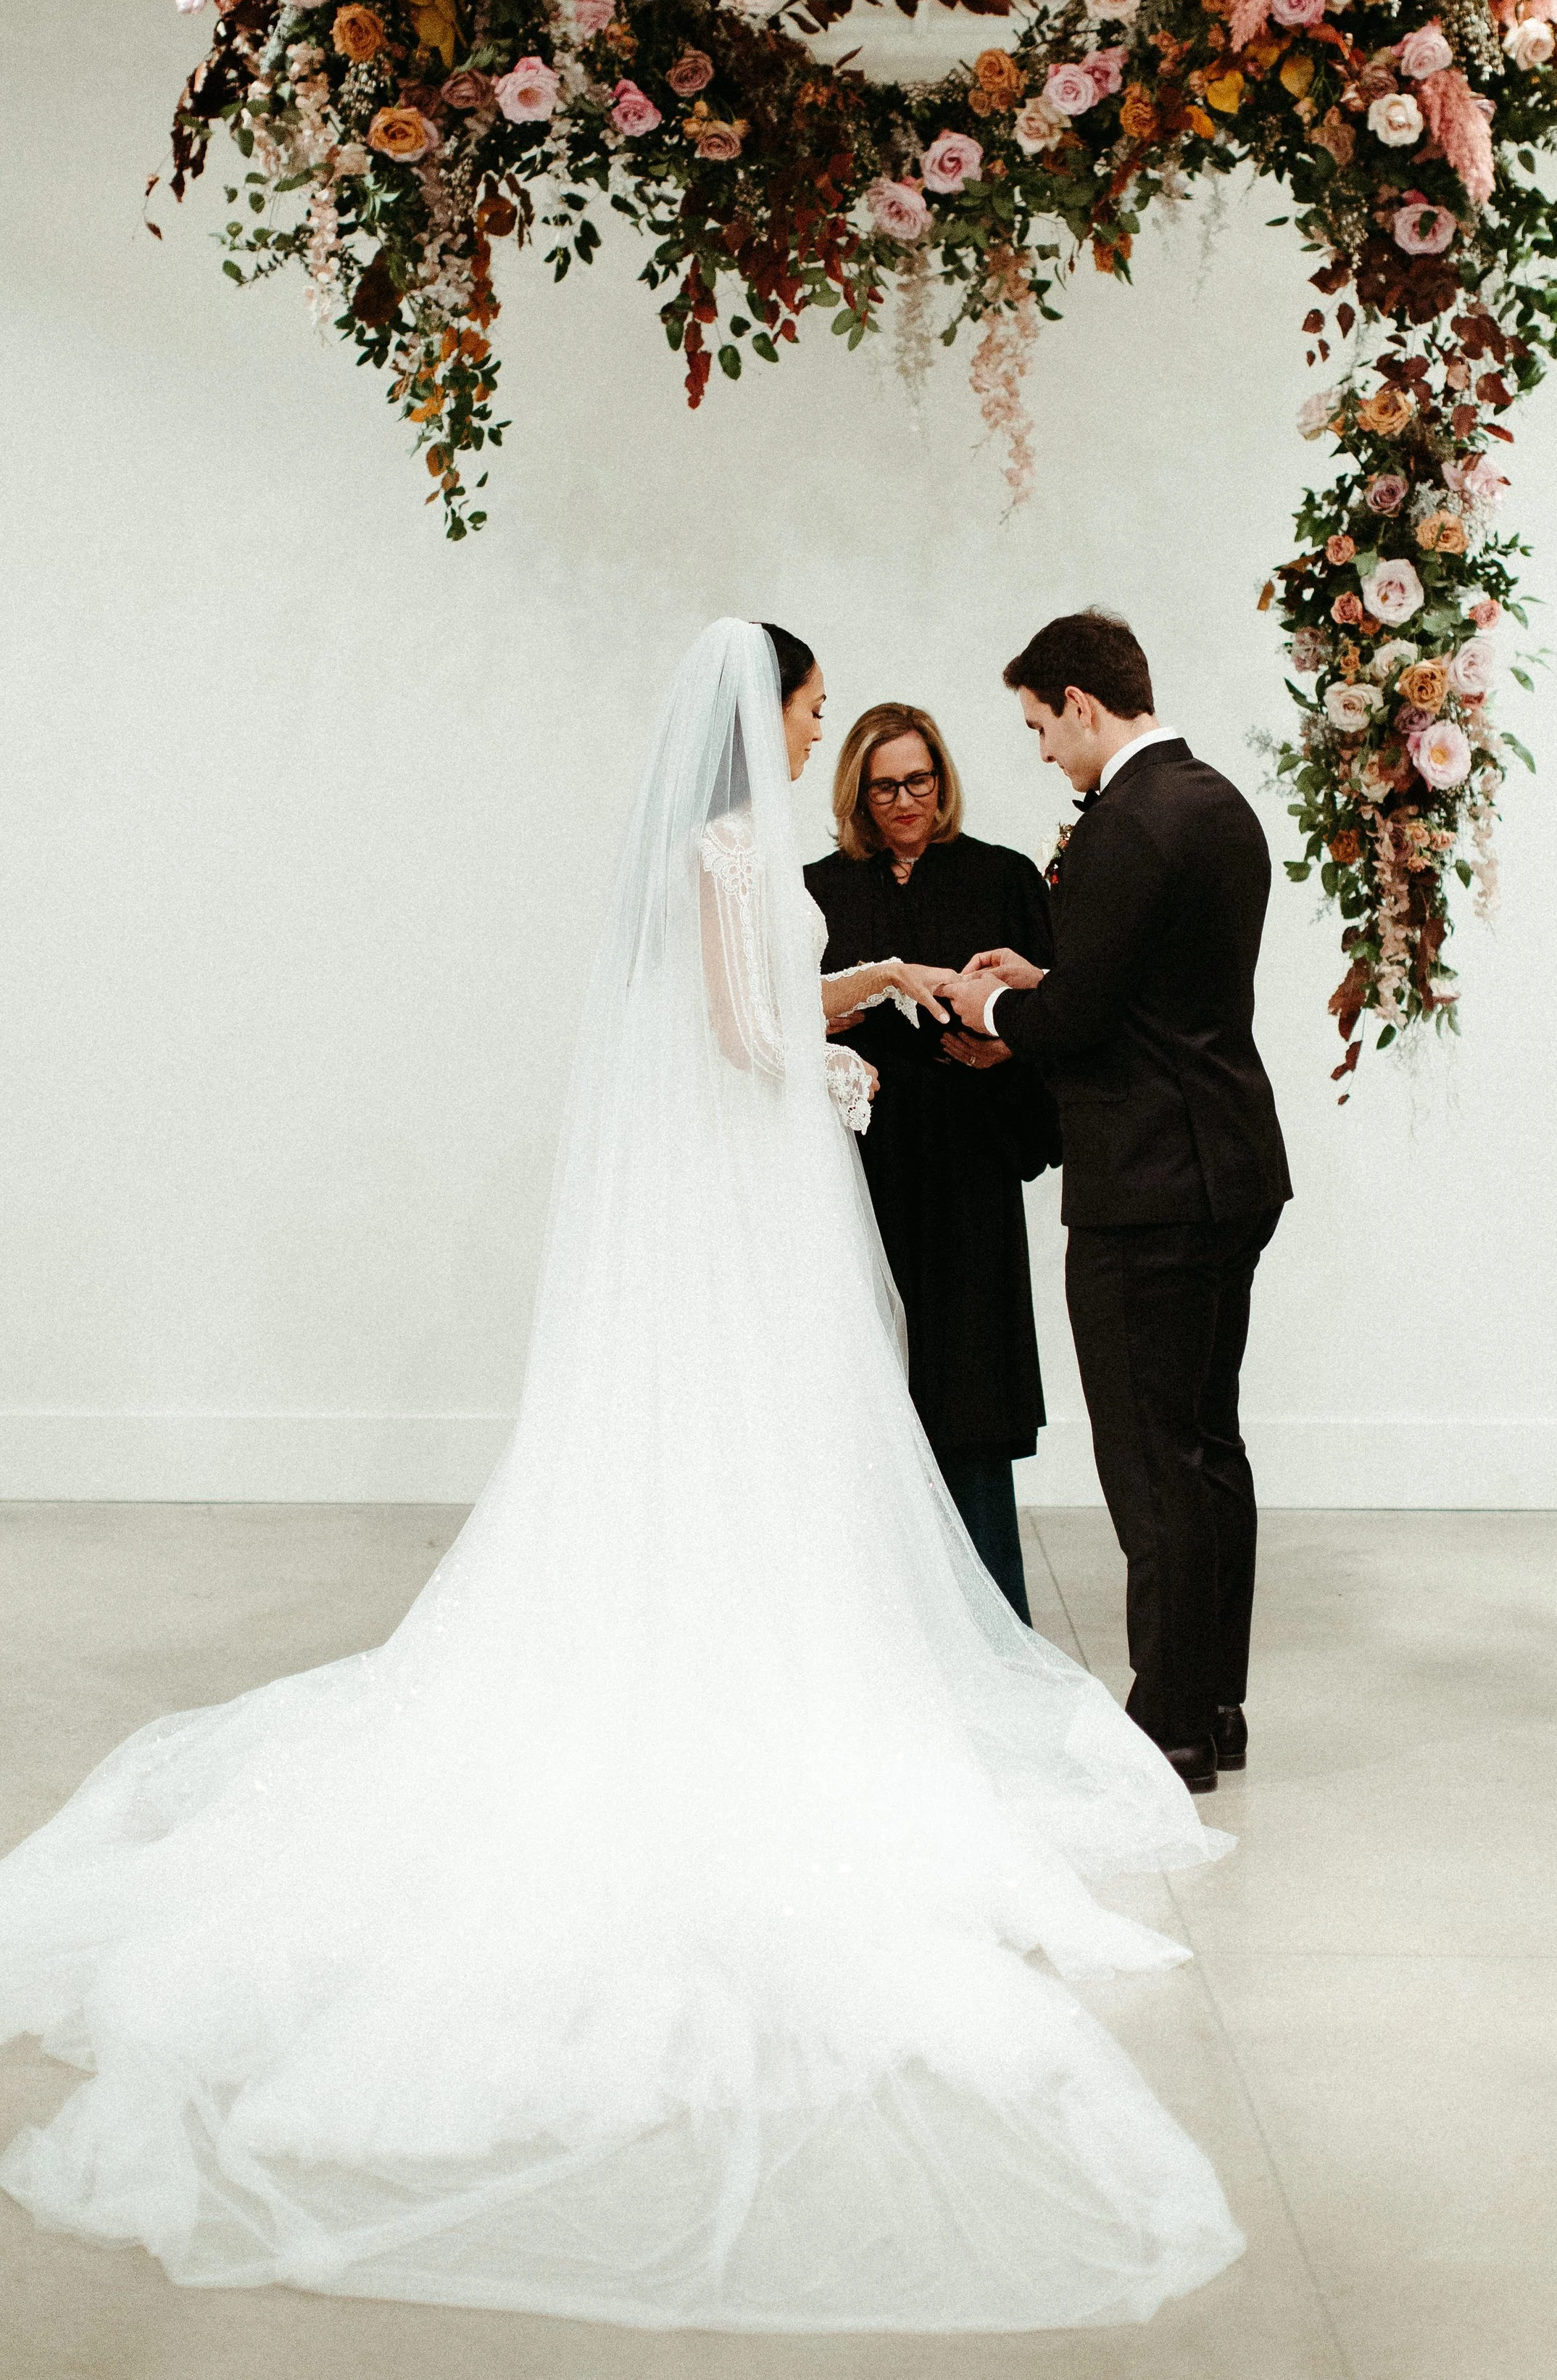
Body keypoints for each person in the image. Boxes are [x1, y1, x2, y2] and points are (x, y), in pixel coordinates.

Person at [0, 618, 1243, 2330]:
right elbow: (739, 1037)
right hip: (758, 1190)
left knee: (747, 1449)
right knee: (781, 1441)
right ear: (767, 714)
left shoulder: (717, 850)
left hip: (743, 1200)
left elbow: (743, 1001)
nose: (820, 734)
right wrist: (836, 1059)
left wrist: (872, 988)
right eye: (811, 711)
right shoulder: (737, 847)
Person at [946, 610, 1292, 1799]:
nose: (1043, 751)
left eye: (1042, 725)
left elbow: (1082, 1026)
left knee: (1151, 1463)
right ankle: (1216, 1703)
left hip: (1149, 1184)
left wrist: (982, 1003)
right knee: (1208, 1449)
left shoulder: (1129, 825)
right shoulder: (1214, 803)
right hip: (1228, 1164)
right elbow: (1149, 988)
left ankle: (1169, 1729)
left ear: (1083, 703)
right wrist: (1049, 976)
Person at [805, 703, 1060, 1625]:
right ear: (856, 795)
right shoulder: (817, 890)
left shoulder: (1001, 878)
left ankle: (993, 1625)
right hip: (860, 1174)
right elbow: (785, 1019)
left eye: (920, 781)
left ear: (943, 781)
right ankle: (872, 1626)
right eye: (884, 787)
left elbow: (1055, 1011)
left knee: (971, 1395)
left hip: (970, 1168)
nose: (906, 801)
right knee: (865, 1395)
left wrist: (1009, 1052)